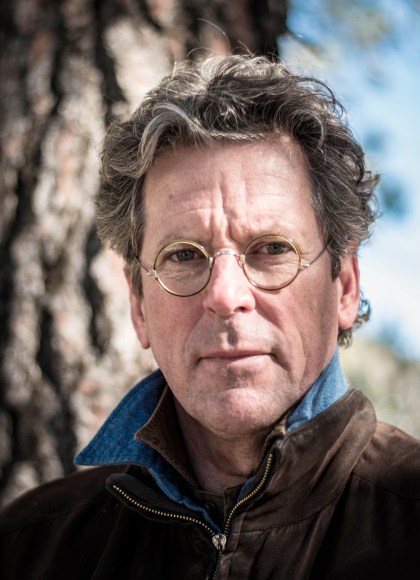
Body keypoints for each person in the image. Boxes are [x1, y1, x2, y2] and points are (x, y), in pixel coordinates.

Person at [1, 53, 419, 580]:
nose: (225, 295)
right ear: (138, 304)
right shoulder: (28, 548)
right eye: (183, 255)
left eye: (272, 248)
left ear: (346, 286)